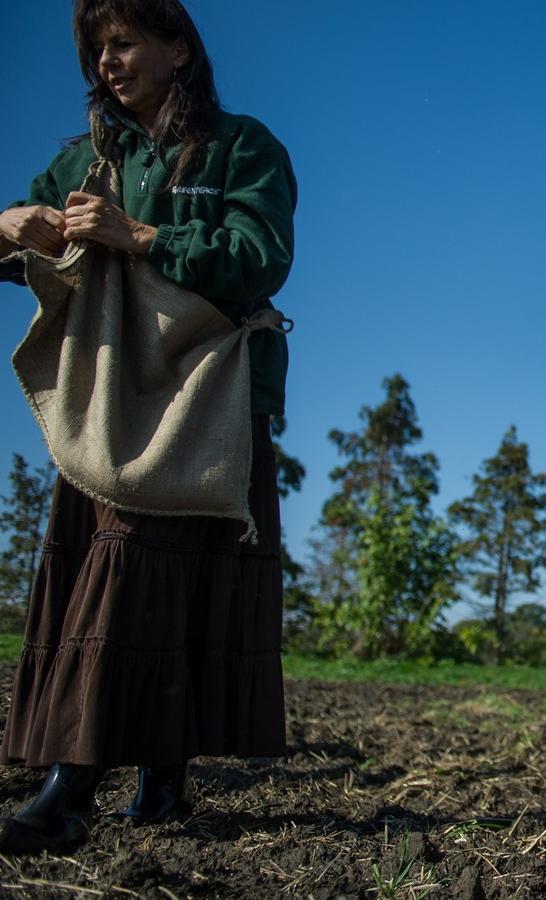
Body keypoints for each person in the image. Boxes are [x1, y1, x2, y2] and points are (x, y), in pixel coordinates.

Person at [0, 0, 294, 855]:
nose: (106, 63)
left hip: (208, 401)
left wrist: (142, 234)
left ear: (178, 49)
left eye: (122, 42)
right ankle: (154, 786)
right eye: (96, 49)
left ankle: (74, 791)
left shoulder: (244, 148)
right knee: (131, 576)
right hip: (111, 404)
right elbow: (28, 240)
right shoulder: (83, 161)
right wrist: (9, 226)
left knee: (161, 582)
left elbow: (258, 257)